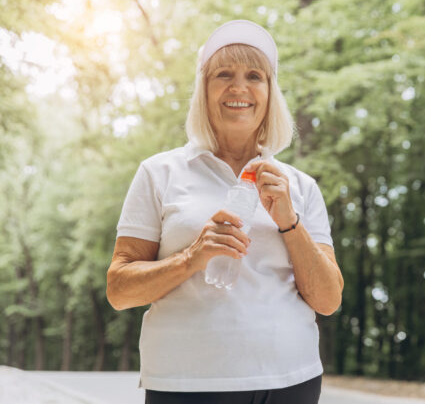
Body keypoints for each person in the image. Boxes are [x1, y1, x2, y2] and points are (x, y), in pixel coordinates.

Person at [106, 20, 344, 404]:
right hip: (185, 384)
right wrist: (191, 258)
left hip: (290, 382)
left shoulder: (300, 186)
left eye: (255, 76)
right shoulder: (159, 173)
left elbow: (329, 299)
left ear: (269, 93)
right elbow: (119, 289)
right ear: (204, 89)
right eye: (224, 74)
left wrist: (289, 221)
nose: (239, 87)